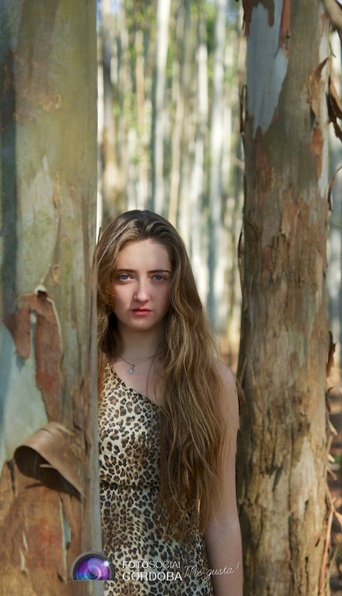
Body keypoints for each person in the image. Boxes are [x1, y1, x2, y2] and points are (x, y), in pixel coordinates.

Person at [95, 210, 244, 596]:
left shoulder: (209, 381)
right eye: (125, 276)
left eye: (157, 277)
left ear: (176, 284)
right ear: (103, 282)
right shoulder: (81, 374)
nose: (142, 294)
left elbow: (222, 518)